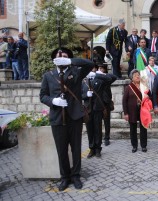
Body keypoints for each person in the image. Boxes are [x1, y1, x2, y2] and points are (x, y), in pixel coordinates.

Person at [40, 47, 94, 191]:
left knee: (76, 149)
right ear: (54, 60)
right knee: (61, 150)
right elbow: (43, 96)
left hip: (74, 117)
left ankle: (76, 175)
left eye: (64, 56)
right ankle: (65, 177)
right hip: (58, 118)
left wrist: (70, 61)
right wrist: (54, 101)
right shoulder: (48, 76)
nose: (61, 58)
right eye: (59, 57)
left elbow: (89, 64)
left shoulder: (75, 72)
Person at [82, 65, 113, 158]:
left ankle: (98, 149)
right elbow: (80, 95)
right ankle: (91, 148)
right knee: (89, 130)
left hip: (97, 108)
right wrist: (86, 95)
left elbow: (111, 78)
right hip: (88, 110)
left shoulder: (99, 80)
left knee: (98, 130)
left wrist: (98, 75)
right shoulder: (83, 82)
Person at [123, 69, 148, 153]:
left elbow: (149, 95)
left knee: (143, 128)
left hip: (142, 110)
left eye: (138, 75)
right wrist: (126, 113)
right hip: (132, 111)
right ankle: (134, 145)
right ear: (132, 78)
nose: (138, 76)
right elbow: (124, 101)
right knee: (133, 129)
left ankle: (143, 145)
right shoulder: (128, 87)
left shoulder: (144, 86)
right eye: (135, 75)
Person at [98, 63, 117, 146]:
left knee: (106, 122)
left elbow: (114, 77)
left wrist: (103, 74)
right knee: (98, 122)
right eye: (99, 68)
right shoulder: (95, 78)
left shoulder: (107, 79)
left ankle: (107, 138)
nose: (100, 70)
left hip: (106, 103)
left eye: (102, 68)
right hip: (97, 103)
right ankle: (98, 138)